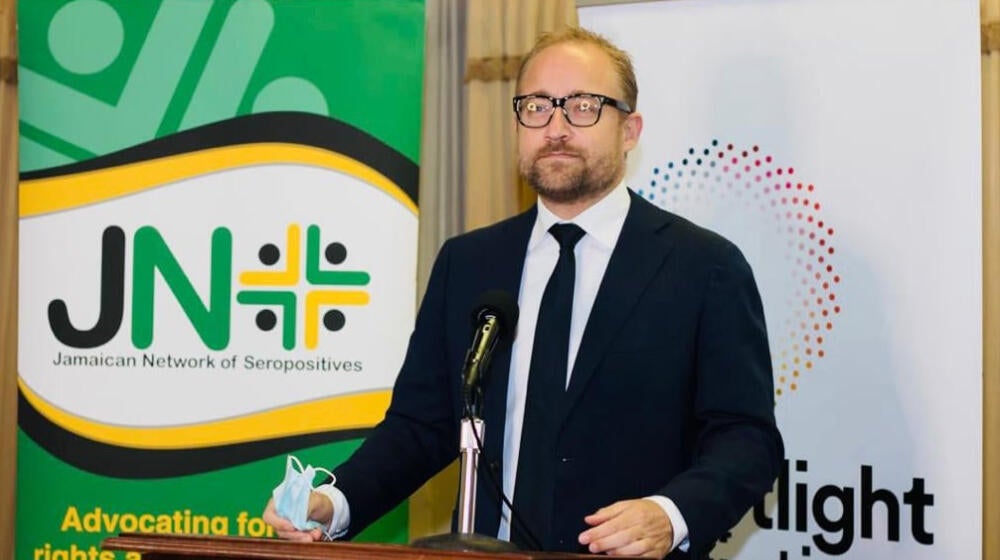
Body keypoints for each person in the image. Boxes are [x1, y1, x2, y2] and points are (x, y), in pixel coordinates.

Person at [263, 27, 783, 559]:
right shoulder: (468, 263)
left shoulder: (703, 267)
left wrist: (669, 515)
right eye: (536, 106)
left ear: (630, 130)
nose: (556, 127)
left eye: (583, 106)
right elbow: (423, 426)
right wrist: (336, 501)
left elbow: (747, 440)